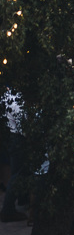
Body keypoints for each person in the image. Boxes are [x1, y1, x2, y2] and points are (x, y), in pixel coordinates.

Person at [0, 87, 28, 223]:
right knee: (17, 174)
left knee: (18, 173)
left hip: (13, 135)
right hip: (19, 137)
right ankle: (8, 209)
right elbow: (23, 126)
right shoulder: (16, 99)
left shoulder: (7, 94)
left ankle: (17, 202)